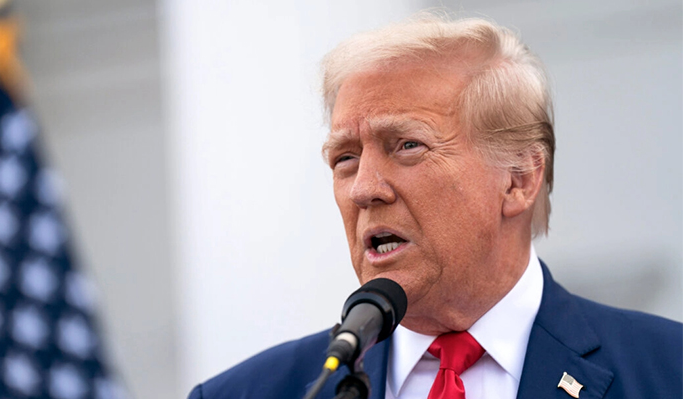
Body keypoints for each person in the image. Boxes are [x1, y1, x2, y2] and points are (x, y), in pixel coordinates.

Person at [188, 13, 682, 399]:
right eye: (345, 158)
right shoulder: (247, 394)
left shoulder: (668, 371)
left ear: (519, 179)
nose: (364, 189)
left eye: (406, 145)